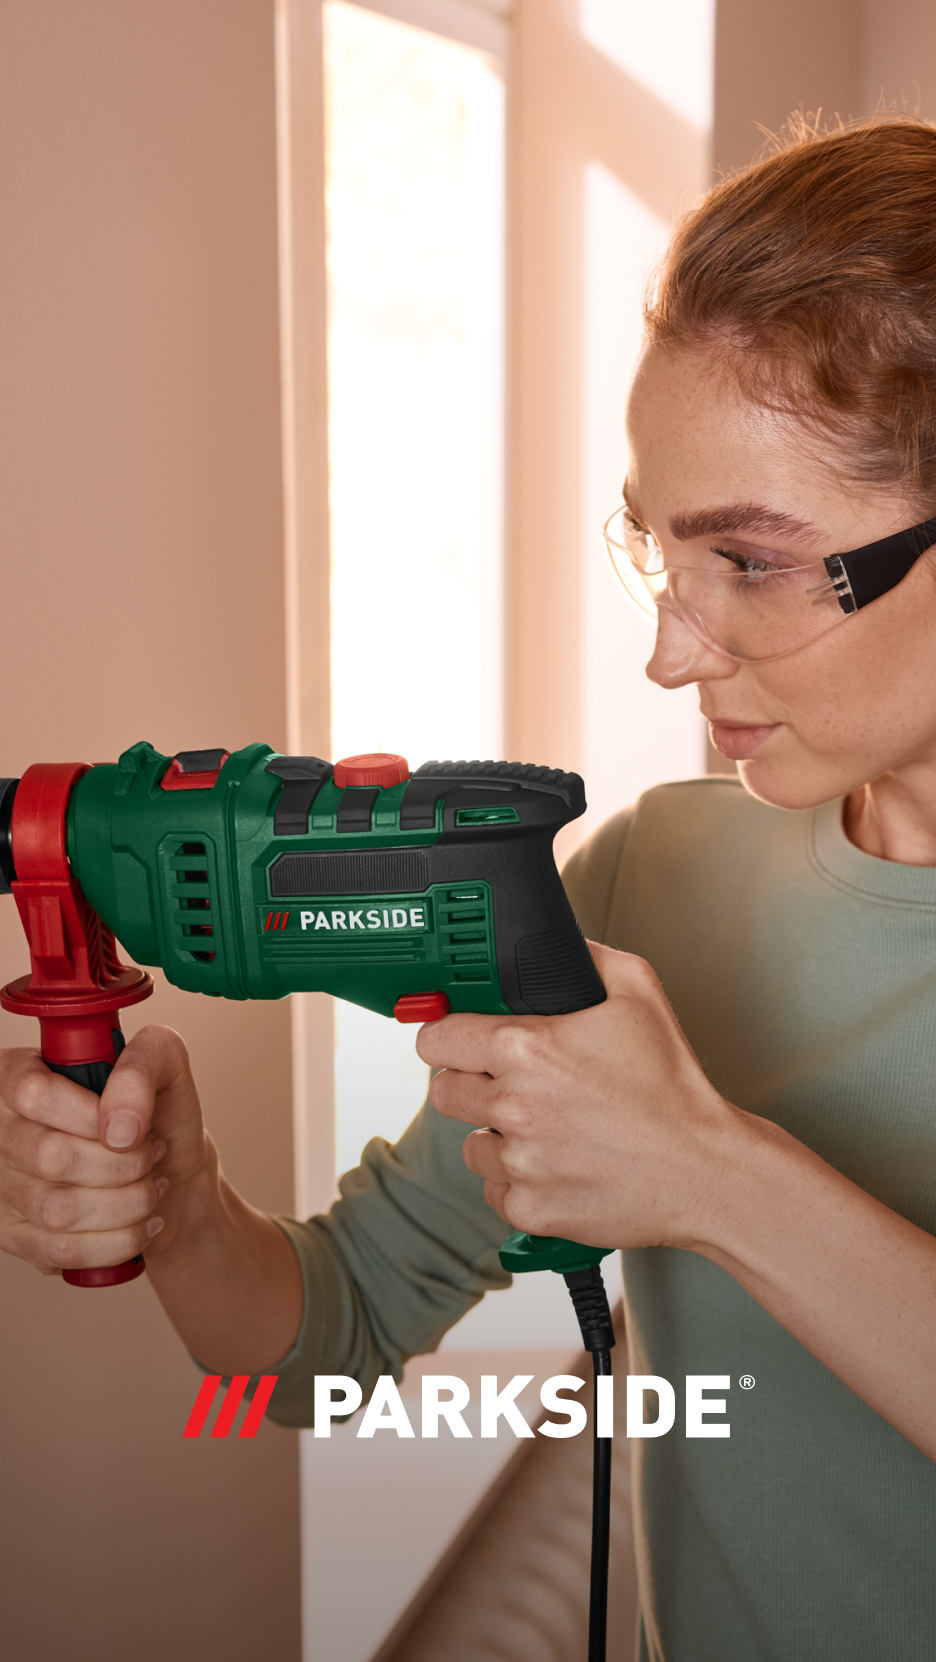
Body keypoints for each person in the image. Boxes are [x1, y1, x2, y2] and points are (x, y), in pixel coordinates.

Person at [2, 113, 936, 1659]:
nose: (671, 654)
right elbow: (325, 1341)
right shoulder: (652, 880)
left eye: (754, 562)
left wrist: (710, 1175)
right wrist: (179, 1202)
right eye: (658, 551)